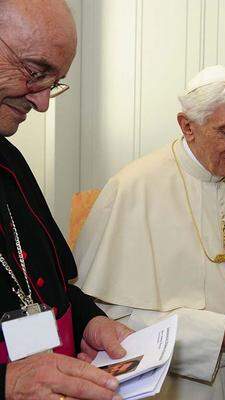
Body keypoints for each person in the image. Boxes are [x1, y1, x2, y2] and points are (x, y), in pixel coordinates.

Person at [74, 65, 225, 400]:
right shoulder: (135, 188)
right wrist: (218, 334)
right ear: (187, 126)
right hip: (176, 387)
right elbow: (110, 316)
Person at [0, 1, 133, 399]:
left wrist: (91, 322)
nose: (42, 103)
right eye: (35, 71)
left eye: (52, 82)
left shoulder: (8, 158)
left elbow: (42, 285)